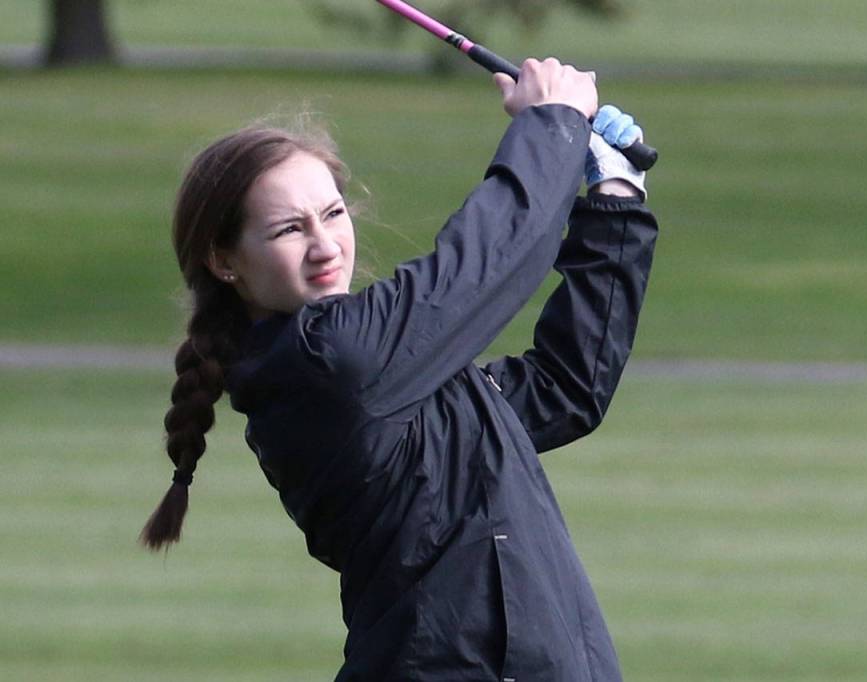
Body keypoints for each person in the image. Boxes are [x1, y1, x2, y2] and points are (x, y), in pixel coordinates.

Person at [141, 57, 658, 681]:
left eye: (332, 214)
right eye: (288, 229)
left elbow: (564, 390)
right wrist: (551, 124)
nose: (326, 245)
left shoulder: (383, 370)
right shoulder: (328, 362)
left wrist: (616, 196)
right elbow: (484, 265)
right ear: (225, 262)